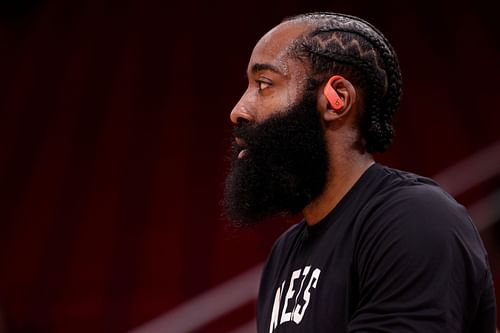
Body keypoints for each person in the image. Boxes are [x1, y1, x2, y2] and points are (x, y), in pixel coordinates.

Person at [222, 11, 496, 333]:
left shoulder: (414, 219)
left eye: (264, 84)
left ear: (336, 100)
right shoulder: (284, 254)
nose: (238, 110)